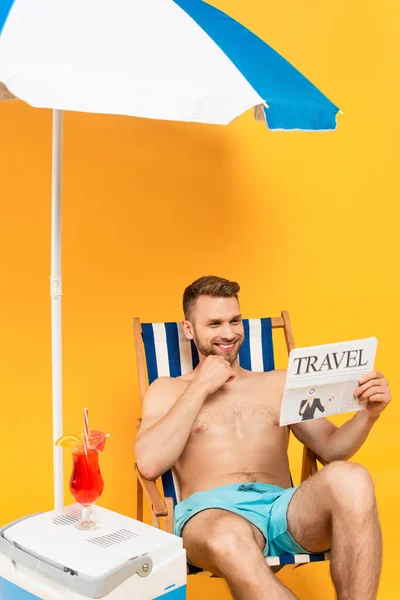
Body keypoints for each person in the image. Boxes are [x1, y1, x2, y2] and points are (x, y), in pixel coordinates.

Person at [135, 276, 391, 600]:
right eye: (214, 323)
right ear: (189, 329)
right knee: (229, 538)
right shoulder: (168, 390)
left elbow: (332, 450)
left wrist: (368, 414)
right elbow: (148, 463)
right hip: (212, 515)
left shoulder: (280, 382)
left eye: (235, 321)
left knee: (352, 478)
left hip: (283, 510)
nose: (228, 333)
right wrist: (200, 386)